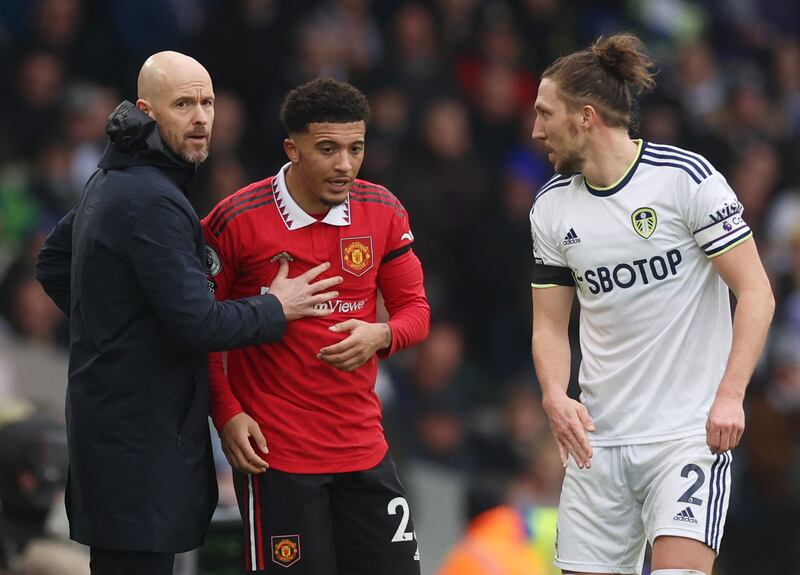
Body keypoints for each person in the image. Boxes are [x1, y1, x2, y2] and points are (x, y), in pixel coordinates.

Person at [35, 52, 342, 575]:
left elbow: (53, 263)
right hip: (140, 447)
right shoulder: (153, 199)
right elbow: (199, 323)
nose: (201, 117)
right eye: (184, 104)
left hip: (110, 433)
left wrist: (121, 327)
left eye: (207, 102)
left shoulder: (114, 179)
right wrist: (276, 306)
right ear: (147, 111)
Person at [528, 34, 775, 575]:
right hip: (597, 442)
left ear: (585, 117)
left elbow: (756, 291)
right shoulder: (550, 207)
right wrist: (553, 394)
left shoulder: (685, 181)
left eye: (546, 114)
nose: (536, 130)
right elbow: (549, 326)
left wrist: (731, 396)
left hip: (686, 437)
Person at [202, 78, 430, 574]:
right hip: (278, 457)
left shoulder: (383, 209)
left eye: (356, 148)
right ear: (293, 149)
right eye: (328, 149)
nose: (345, 165)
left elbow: (416, 310)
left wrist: (382, 334)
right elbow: (200, 330)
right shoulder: (236, 221)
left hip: (364, 448)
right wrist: (227, 414)